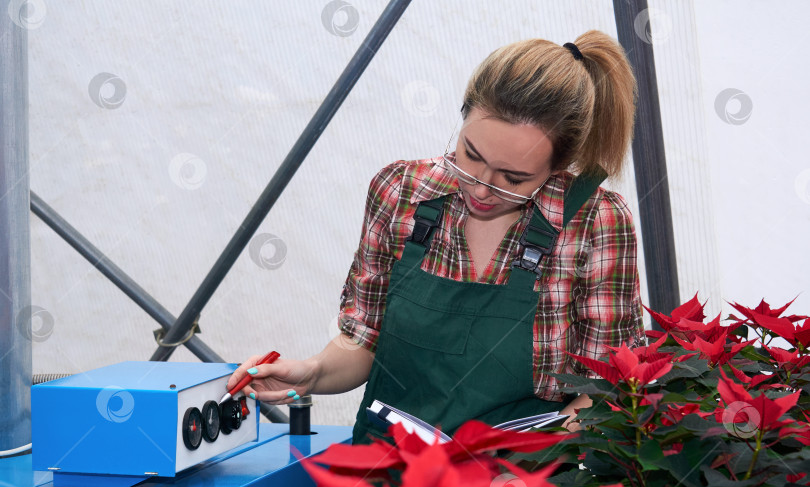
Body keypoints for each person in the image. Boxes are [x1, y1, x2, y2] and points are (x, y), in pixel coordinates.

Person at [227, 30, 646, 444]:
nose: (481, 189)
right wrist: (313, 372)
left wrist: (513, 457)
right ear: (463, 116)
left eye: (513, 178)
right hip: (391, 476)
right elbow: (364, 341)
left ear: (560, 165)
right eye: (471, 155)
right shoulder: (401, 192)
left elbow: (604, 390)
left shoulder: (596, 223)